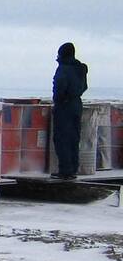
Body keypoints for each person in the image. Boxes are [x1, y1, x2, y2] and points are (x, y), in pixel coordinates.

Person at [51, 41, 89, 179]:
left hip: (64, 106)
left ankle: (65, 171)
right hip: (77, 105)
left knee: (62, 138)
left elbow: (59, 87)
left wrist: (58, 99)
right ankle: (73, 168)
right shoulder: (81, 68)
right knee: (74, 137)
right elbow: (84, 87)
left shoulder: (63, 68)